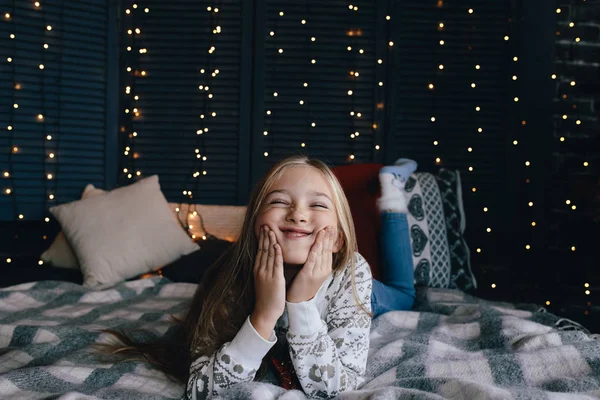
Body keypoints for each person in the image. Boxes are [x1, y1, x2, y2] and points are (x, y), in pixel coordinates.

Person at [101, 155, 416, 399]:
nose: (298, 214)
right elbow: (202, 391)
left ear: (337, 239)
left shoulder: (352, 273)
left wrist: (303, 304)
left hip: (344, 286)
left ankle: (391, 192)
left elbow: (335, 390)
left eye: (317, 204)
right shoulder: (231, 275)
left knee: (403, 294)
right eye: (279, 201)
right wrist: (263, 316)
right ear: (254, 224)